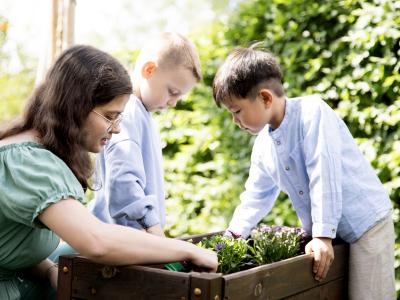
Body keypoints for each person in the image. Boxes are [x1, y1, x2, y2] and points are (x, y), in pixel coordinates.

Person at [0, 45, 218, 300]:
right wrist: (186, 250)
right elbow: (97, 241)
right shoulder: (27, 161)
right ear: (75, 106)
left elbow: (9, 245)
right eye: (110, 116)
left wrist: (49, 270)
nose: (116, 129)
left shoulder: (32, 151)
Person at [212, 46, 395, 300]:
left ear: (265, 98)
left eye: (237, 111)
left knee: (368, 295)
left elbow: (324, 172)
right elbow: (255, 196)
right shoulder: (264, 145)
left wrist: (321, 235)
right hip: (335, 234)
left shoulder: (312, 113)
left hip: (366, 225)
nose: (235, 120)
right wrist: (231, 238)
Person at [89, 32, 202, 236]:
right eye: (173, 92)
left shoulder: (142, 114)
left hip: (133, 236)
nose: (173, 102)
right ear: (149, 70)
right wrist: (152, 227)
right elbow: (123, 178)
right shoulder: (129, 113)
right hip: (123, 238)